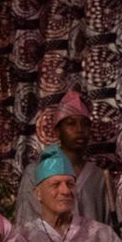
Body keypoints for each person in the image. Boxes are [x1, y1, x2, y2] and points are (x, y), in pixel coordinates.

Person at [15, 88, 114, 229]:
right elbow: (26, 225)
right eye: (71, 124)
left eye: (85, 124)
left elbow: (109, 229)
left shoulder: (99, 177)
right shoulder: (35, 173)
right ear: (57, 131)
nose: (79, 130)